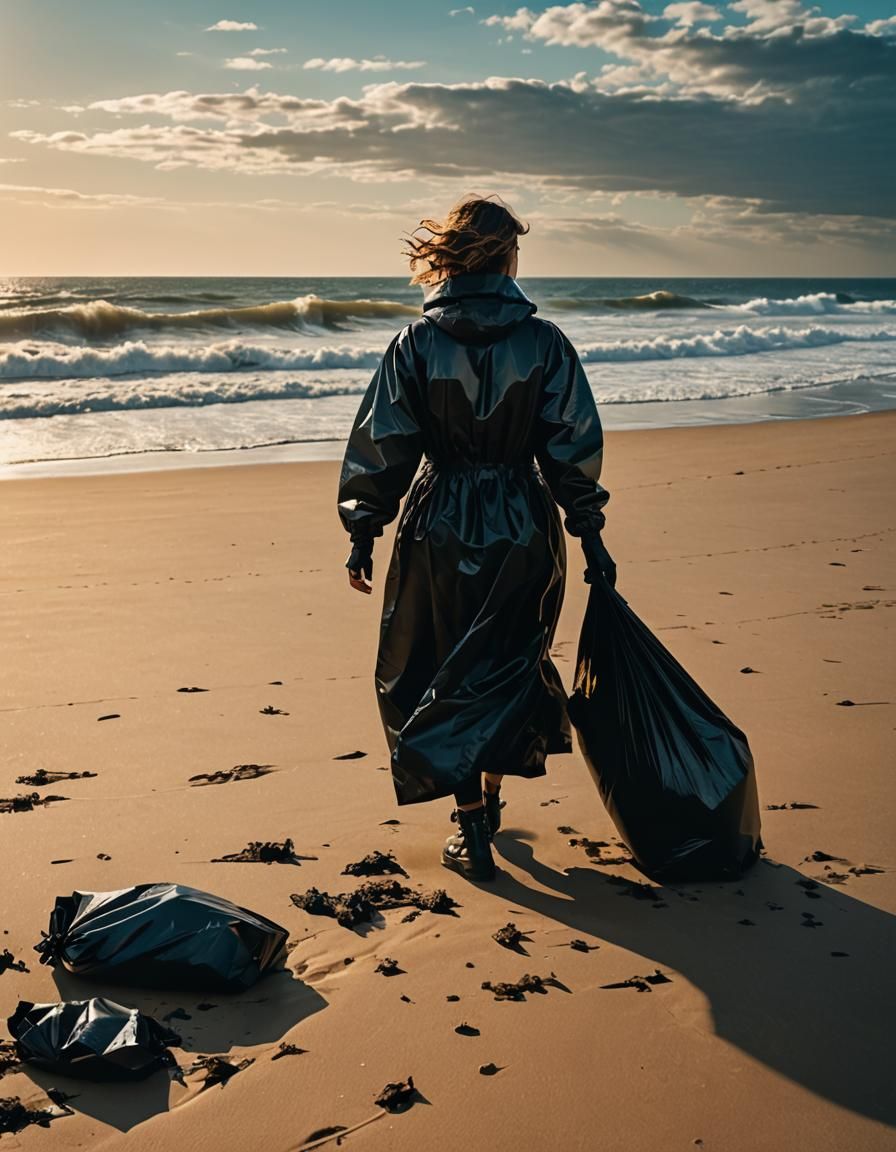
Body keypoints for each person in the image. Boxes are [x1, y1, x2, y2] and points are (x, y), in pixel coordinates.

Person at [336, 193, 615, 884]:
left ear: (450, 255)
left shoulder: (415, 343)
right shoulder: (544, 341)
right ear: (508, 255)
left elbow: (385, 443)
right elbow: (571, 445)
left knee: (438, 667)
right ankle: (487, 805)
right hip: (523, 518)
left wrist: (363, 526)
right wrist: (590, 534)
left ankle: (469, 827)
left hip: (440, 522)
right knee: (507, 664)